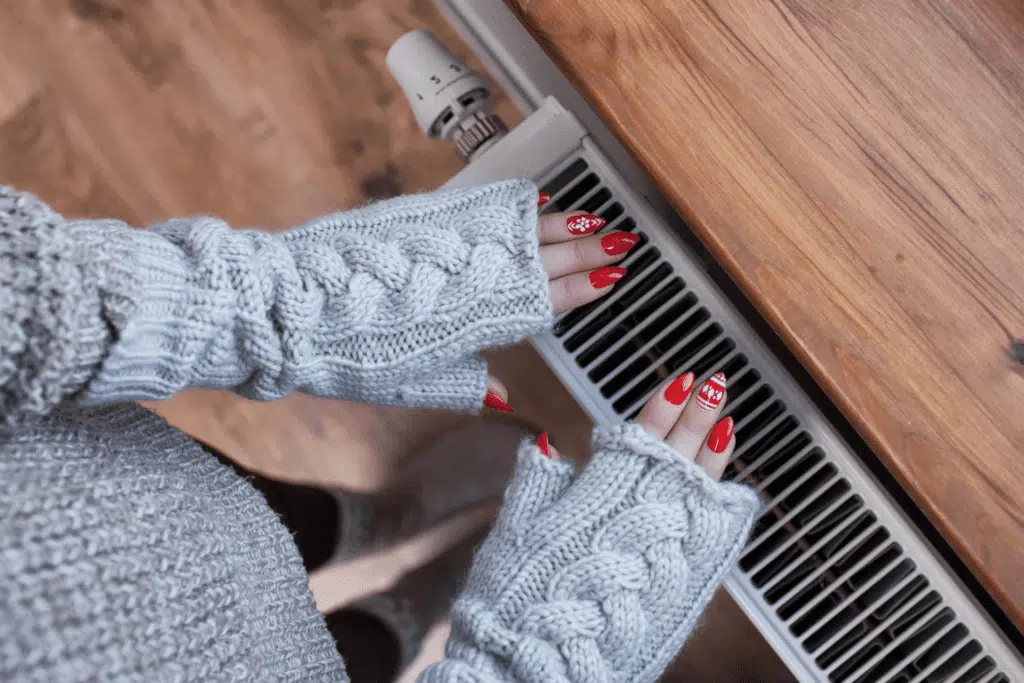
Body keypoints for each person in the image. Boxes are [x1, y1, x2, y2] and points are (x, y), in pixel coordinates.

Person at [0, 179, 761, 682]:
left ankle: (383, 517)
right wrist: (521, 666)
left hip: (107, 488)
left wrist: (258, 306)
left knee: (269, 513)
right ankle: (415, 598)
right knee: (347, 657)